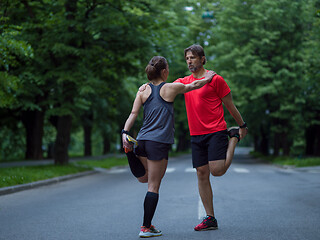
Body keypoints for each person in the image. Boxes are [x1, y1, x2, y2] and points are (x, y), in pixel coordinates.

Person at [140, 44, 248, 231]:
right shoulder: (183, 81)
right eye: (187, 58)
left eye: (193, 57)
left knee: (217, 170)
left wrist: (242, 125)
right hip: (196, 134)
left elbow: (230, 105)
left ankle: (233, 139)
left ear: (202, 59)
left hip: (215, 130)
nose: (189, 61)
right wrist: (146, 86)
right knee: (201, 173)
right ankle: (210, 218)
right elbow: (160, 87)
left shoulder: (216, 79)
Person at [121, 55, 215, 238]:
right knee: (153, 186)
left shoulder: (143, 90)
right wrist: (209, 76)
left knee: (144, 179)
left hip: (143, 140)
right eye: (168, 68)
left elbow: (133, 113)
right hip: (158, 142)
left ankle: (129, 152)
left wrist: (125, 132)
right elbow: (193, 86)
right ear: (164, 71)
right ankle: (146, 227)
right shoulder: (170, 88)